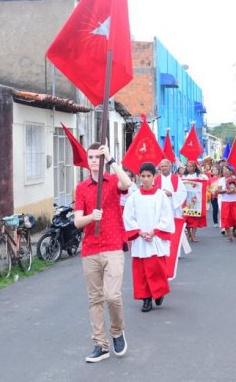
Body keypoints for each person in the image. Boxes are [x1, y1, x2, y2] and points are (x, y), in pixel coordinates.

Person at [74, 143, 131, 363]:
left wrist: (112, 160)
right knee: (95, 299)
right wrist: (92, 217)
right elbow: (78, 221)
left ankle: (117, 331)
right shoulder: (82, 188)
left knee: (112, 296)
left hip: (114, 246)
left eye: (98, 157)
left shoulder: (113, 181)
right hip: (90, 248)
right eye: (91, 157)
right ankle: (101, 344)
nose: (93, 160)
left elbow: (127, 184)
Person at [123, 162, 175, 312]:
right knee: (141, 272)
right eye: (143, 176)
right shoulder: (134, 197)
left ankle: (158, 293)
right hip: (140, 239)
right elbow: (128, 217)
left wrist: (154, 231)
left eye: (149, 176)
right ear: (139, 177)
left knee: (156, 268)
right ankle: (146, 299)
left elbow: (166, 216)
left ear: (154, 177)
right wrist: (138, 232)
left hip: (155, 238)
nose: (145, 179)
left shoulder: (161, 196)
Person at [181, 160, 208, 242]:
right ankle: (188, 232)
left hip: (196, 199)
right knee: (186, 217)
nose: (189, 168)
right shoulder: (184, 176)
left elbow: (205, 180)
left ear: (195, 167)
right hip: (186, 199)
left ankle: (193, 235)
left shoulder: (199, 176)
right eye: (188, 166)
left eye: (191, 166)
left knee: (195, 218)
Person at [216, 166, 236, 241]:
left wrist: (234, 190)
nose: (225, 172)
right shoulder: (221, 180)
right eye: (223, 170)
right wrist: (225, 191)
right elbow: (218, 191)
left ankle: (234, 230)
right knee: (226, 219)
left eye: (226, 170)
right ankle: (229, 234)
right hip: (225, 201)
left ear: (230, 171)